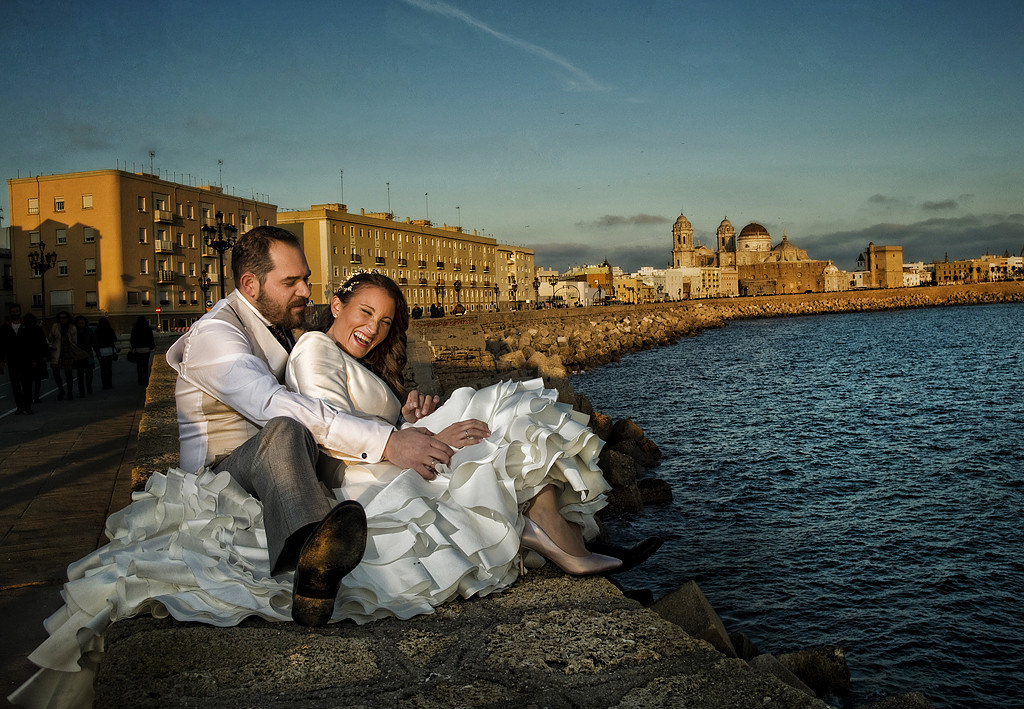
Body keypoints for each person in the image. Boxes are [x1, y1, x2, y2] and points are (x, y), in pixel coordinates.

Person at [283, 273, 625, 621]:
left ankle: (551, 530)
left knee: (498, 413)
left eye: (384, 321)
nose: (374, 329)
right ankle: (557, 534)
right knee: (502, 406)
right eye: (366, 312)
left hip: (386, 458)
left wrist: (407, 420)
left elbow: (359, 421)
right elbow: (329, 427)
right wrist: (428, 439)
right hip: (366, 479)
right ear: (337, 306)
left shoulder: (345, 357)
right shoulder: (315, 346)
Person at [0, 304, 31, 414]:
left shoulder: (27, 326)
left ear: (20, 312)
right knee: (15, 385)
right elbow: (2, 345)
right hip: (12, 360)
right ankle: (20, 407)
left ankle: (28, 407)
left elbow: (33, 343)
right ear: (10, 313)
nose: (15, 313)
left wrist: (36, 359)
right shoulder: (5, 327)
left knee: (26, 384)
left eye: (17, 311)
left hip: (26, 360)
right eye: (12, 311)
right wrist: (2, 361)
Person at [47, 311, 78, 401]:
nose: (62, 320)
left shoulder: (72, 328)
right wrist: (52, 335)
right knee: (56, 372)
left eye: (64, 318)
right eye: (61, 318)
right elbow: (50, 339)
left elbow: (75, 341)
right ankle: (61, 389)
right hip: (57, 352)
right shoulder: (55, 326)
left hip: (68, 351)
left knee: (68, 373)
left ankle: (69, 392)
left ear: (68, 318)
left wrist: (70, 337)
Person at [73, 316, 96, 396]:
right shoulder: (74, 332)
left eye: (82, 323)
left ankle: (89, 387)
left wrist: (97, 351)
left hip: (88, 353)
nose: (81, 325)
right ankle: (81, 390)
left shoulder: (89, 331)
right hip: (79, 355)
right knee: (80, 374)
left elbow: (93, 342)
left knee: (89, 373)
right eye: (79, 323)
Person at [129, 316, 155, 386]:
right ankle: (145, 379)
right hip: (146, 349)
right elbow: (151, 338)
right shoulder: (148, 329)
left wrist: (133, 347)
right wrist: (151, 347)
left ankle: (140, 379)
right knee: (145, 365)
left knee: (139, 365)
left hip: (138, 349)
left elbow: (132, 339)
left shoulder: (135, 329)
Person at [94, 317, 118, 389]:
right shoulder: (110, 330)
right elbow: (114, 339)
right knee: (109, 367)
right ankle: (109, 383)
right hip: (109, 350)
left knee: (103, 369)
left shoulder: (97, 331)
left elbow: (95, 342)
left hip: (101, 351)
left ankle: (104, 384)